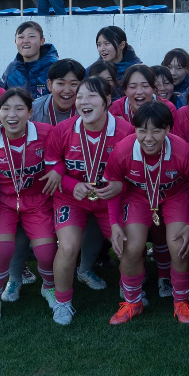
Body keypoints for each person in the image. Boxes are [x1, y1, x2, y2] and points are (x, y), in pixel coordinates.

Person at [101, 101, 189, 325]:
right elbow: (113, 187)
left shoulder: (182, 151)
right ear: (134, 129)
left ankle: (181, 302)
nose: (148, 137)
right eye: (142, 130)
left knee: (179, 245)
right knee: (131, 246)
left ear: (167, 129)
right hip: (138, 197)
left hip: (176, 195)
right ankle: (132, 302)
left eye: (156, 130)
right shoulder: (123, 150)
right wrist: (114, 223)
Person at [45, 75, 135, 318]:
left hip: (111, 201)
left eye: (91, 95)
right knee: (68, 246)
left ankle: (130, 293)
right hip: (72, 198)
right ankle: (62, 302)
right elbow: (52, 167)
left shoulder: (126, 131)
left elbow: (135, 172)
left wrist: (119, 186)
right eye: (80, 96)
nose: (83, 101)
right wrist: (70, 184)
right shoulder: (63, 130)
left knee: (127, 248)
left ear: (107, 100)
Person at [0, 88, 58, 321]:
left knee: (47, 251)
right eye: (6, 108)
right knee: (2, 249)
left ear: (30, 112)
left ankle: (48, 286)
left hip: (38, 201)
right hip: (3, 202)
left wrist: (56, 172)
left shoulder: (47, 133)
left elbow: (60, 158)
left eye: (19, 108)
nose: (13, 114)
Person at [0, 21, 59, 95]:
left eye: (31, 36)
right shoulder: (12, 69)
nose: (25, 41)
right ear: (15, 41)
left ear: (42, 41)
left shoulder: (55, 67)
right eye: (21, 37)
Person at [32, 59, 84, 126]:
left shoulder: (87, 109)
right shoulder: (33, 110)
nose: (67, 91)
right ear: (49, 85)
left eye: (73, 84)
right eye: (61, 83)